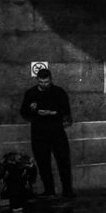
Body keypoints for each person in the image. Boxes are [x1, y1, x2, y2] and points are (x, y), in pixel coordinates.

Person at [19, 69, 75, 199]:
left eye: (46, 81)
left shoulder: (59, 92)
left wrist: (52, 113)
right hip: (39, 132)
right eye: (41, 82)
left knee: (63, 161)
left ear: (51, 79)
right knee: (43, 163)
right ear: (37, 80)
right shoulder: (31, 93)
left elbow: (66, 111)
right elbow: (23, 112)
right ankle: (49, 190)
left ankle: (67, 191)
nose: (44, 84)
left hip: (56, 132)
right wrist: (31, 110)